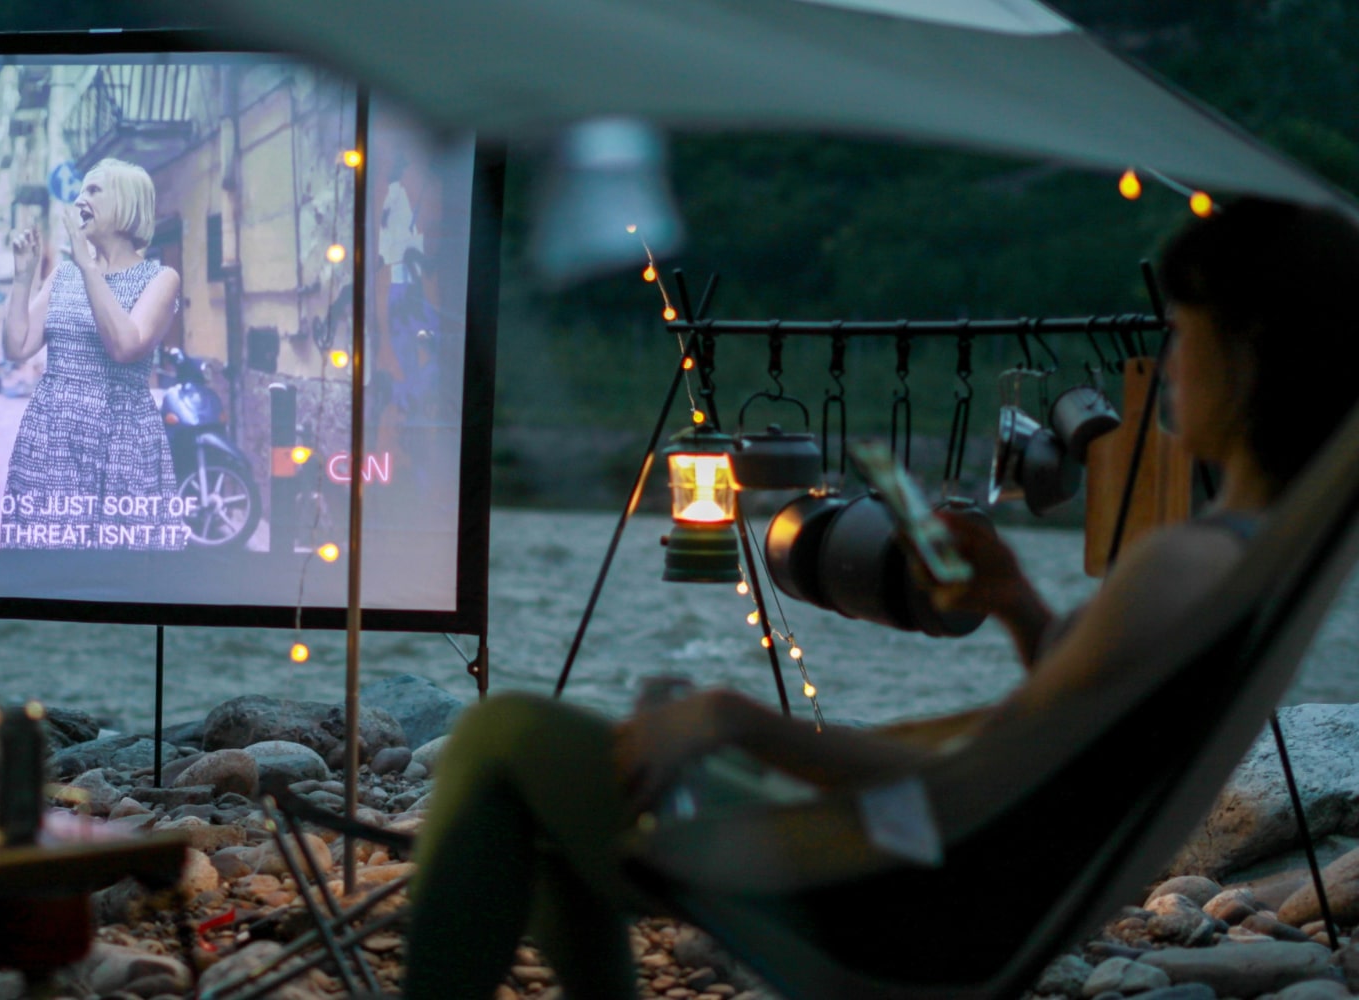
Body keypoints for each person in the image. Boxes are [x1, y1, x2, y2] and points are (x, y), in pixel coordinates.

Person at [399, 197, 1359, 999]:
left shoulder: (1179, 567)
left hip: (896, 911)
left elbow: (956, 792)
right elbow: (1057, 748)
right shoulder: (1249, 565)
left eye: (1183, 336)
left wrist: (730, 717)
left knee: (497, 739)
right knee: (558, 827)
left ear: (1248, 353)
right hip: (971, 904)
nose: (1172, 367)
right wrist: (1019, 604)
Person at [0, 158, 186, 550]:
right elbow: (17, 346)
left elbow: (124, 346)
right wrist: (23, 278)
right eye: (81, 190)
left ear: (126, 203)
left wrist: (87, 266)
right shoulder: (64, 275)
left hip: (122, 441)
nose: (81, 199)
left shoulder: (160, 278)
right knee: (45, 560)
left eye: (94, 190)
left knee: (118, 567)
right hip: (52, 438)